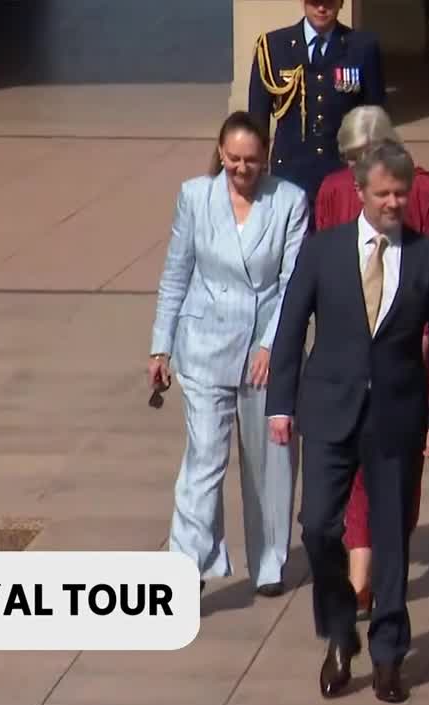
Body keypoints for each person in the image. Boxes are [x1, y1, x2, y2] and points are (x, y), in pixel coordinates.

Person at [266, 140, 429, 704]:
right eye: (383, 194)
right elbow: (291, 326)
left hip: (397, 416)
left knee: (390, 537)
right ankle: (338, 631)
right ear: (359, 193)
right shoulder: (322, 251)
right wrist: (280, 403)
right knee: (317, 526)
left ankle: (388, 655)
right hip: (329, 410)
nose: (394, 203)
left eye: (401, 194)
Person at [148, 111, 307, 597]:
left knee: (270, 461)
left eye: (251, 160)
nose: (241, 168)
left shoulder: (290, 201)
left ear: (266, 156)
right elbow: (176, 272)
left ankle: (270, 562)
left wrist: (272, 345)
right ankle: (185, 565)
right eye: (233, 158)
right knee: (204, 459)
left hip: (263, 350)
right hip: (203, 346)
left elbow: (293, 283)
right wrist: (160, 345)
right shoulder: (195, 196)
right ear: (220, 153)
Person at [314, 105, 429, 620]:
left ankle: (381, 571)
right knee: (353, 475)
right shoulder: (333, 190)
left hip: (409, 358)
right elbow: (325, 268)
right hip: (353, 361)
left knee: (398, 480)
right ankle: (359, 581)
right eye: (350, 158)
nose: (357, 166)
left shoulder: (426, 189)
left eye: (365, 155)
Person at [248, 0, 386, 216]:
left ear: (341, 3)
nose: (322, 9)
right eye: (315, 2)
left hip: (342, 172)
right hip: (290, 172)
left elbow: (374, 117)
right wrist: (257, 169)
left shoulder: (362, 47)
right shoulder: (274, 46)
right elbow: (257, 119)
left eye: (329, 2)